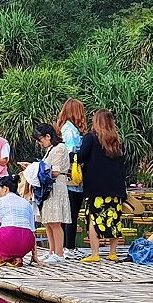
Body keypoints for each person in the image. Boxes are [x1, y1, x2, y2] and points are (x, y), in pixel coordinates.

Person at [76, 110, 129, 261]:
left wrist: (71, 155)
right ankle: (113, 252)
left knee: (93, 218)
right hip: (116, 187)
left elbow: (81, 156)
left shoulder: (91, 138)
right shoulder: (117, 140)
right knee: (113, 219)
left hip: (95, 187)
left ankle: (95, 254)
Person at [21, 123, 72, 260]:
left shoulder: (59, 148)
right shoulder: (51, 149)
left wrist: (35, 168)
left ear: (48, 136)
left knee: (55, 221)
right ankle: (51, 251)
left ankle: (59, 253)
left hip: (56, 186)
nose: (40, 142)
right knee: (47, 220)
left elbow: (55, 171)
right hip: (47, 187)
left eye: (41, 139)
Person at [0, 174, 38, 265]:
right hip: (26, 243)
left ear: (5, 188)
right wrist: (34, 256)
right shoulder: (27, 204)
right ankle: (16, 257)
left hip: (8, 238)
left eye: (0, 188)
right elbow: (32, 231)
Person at [59, 98, 88, 250]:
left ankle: (65, 246)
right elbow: (70, 154)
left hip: (70, 177)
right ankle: (69, 247)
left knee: (69, 213)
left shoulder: (66, 128)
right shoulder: (70, 131)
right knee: (71, 213)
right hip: (72, 177)